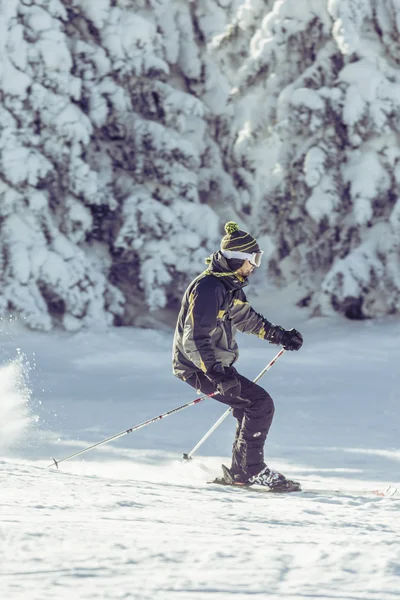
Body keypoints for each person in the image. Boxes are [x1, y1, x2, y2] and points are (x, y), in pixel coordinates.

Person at [172, 221, 303, 491]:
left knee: (250, 404)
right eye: (253, 258)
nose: (255, 265)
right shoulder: (209, 289)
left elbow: (246, 319)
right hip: (198, 366)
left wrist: (280, 336)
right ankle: (253, 470)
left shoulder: (229, 286)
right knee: (260, 403)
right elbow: (194, 337)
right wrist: (217, 374)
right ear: (237, 258)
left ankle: (241, 472)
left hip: (212, 365)